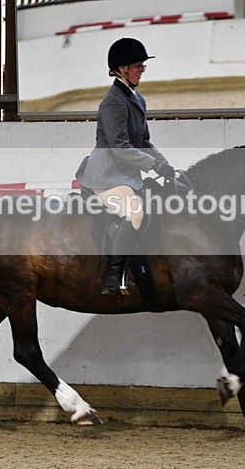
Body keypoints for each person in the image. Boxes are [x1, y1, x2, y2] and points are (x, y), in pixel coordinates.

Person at [76, 37, 176, 295]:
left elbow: (142, 141)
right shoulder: (113, 102)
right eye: (137, 66)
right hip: (106, 175)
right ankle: (113, 275)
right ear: (121, 69)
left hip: (127, 174)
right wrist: (154, 166)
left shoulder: (137, 99)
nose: (142, 71)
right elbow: (119, 147)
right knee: (135, 213)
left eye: (143, 66)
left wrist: (166, 166)